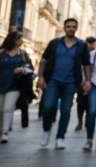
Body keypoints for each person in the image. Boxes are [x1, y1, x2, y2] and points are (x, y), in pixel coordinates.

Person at [37, 18, 92, 149]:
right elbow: (43, 60)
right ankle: (46, 130)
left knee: (66, 110)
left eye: (73, 26)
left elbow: (86, 64)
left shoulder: (82, 45)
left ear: (76, 28)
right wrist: (41, 77)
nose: (71, 29)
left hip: (71, 83)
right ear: (64, 28)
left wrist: (88, 80)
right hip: (53, 81)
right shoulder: (54, 43)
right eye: (68, 26)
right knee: (48, 107)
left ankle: (60, 138)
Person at [0, 31, 32, 143]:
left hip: (15, 86)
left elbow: (31, 69)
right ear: (13, 40)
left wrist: (22, 69)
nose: (21, 41)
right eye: (19, 39)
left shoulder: (23, 54)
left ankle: (5, 132)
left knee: (8, 108)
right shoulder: (0, 53)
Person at [74, 35, 96, 131]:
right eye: (89, 45)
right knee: (80, 104)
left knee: (90, 104)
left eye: (92, 45)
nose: (91, 47)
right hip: (82, 83)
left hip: (93, 83)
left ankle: (87, 121)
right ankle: (80, 122)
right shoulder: (80, 54)